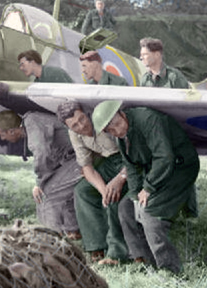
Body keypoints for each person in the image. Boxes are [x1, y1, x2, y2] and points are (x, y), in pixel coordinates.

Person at [92, 100, 199, 274]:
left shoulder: (148, 119)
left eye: (117, 124)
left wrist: (148, 188)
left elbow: (165, 158)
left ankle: (169, 270)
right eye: (110, 130)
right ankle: (143, 260)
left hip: (180, 167)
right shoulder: (122, 138)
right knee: (126, 208)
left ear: (122, 113)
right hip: (155, 171)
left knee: (150, 213)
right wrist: (135, 195)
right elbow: (132, 167)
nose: (117, 131)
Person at [56, 100, 150, 266]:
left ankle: (117, 253)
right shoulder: (74, 133)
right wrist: (103, 189)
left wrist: (119, 180)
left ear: (87, 114)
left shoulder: (104, 120)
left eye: (82, 120)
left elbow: (137, 154)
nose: (81, 127)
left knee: (115, 198)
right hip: (109, 163)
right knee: (82, 191)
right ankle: (96, 247)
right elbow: (86, 167)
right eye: (74, 126)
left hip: (131, 160)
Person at [0, 110, 81, 238]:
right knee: (50, 191)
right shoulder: (31, 122)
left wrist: (40, 183)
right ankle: (72, 231)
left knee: (46, 195)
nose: (2, 138)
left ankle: (50, 241)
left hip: (83, 157)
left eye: (2, 134)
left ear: (12, 131)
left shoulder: (32, 123)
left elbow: (42, 154)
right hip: (73, 159)